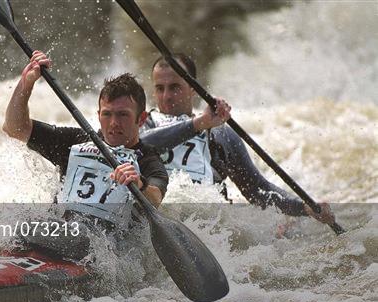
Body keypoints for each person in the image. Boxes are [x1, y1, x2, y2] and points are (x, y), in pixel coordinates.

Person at [3, 50, 169, 258]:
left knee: (78, 236)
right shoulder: (75, 142)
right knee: (15, 219)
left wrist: (139, 184)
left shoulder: (148, 160)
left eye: (123, 115)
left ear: (141, 119)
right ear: (99, 115)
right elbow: (14, 128)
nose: (114, 123)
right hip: (56, 235)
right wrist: (26, 84)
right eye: (107, 114)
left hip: (101, 252)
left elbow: (155, 198)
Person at [140, 54, 336, 229]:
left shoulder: (220, 134)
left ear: (192, 88)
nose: (166, 96)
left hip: (206, 226)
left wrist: (304, 207)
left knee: (282, 230)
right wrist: (199, 123)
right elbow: (141, 144)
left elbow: (257, 190)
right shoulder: (143, 124)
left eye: (174, 87)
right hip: (159, 216)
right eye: (159, 88)